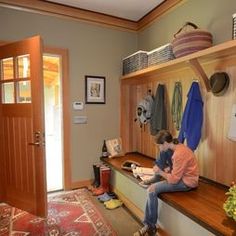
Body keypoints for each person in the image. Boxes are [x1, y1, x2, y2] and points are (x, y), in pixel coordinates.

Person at [134, 130, 199, 236]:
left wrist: (160, 172)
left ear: (165, 143)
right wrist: (168, 170)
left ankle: (150, 226)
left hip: (187, 182)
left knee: (151, 189)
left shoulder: (178, 154)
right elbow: (179, 169)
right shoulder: (178, 146)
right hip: (183, 177)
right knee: (151, 189)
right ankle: (148, 224)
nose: (159, 148)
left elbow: (174, 180)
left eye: (159, 146)